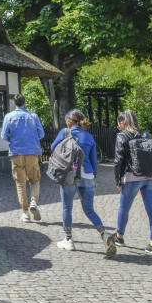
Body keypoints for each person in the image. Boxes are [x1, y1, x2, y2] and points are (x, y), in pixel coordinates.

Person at [49, 109, 114, 256]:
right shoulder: (89, 136)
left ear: (70, 121)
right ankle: (104, 234)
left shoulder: (65, 132)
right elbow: (93, 160)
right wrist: (94, 177)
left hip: (69, 175)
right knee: (89, 209)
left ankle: (69, 240)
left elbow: (52, 148)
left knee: (67, 207)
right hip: (88, 175)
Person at [108, 109, 152, 256]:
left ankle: (119, 237)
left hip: (132, 178)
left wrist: (118, 181)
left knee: (124, 208)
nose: (118, 125)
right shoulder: (146, 134)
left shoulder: (122, 136)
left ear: (123, 122)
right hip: (150, 177)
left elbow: (118, 160)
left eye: (119, 122)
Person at [1, 93, 45, 222]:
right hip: (32, 151)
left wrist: (14, 140)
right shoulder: (33, 116)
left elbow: (4, 136)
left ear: (14, 104)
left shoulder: (8, 117)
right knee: (35, 179)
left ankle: (25, 213)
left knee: (20, 184)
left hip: (16, 152)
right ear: (25, 103)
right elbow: (41, 134)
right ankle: (34, 203)